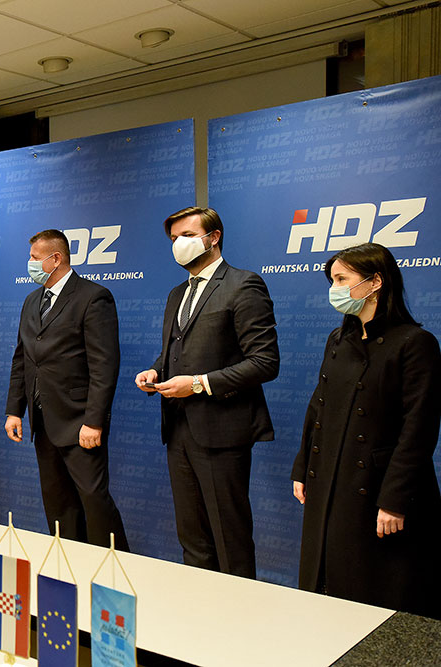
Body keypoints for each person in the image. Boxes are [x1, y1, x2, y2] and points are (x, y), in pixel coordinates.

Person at [291, 242, 441, 618]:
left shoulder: (414, 343)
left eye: (342, 279)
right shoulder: (338, 339)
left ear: (375, 282)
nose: (335, 289)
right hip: (331, 481)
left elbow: (418, 429)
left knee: (378, 592)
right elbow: (318, 407)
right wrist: (303, 468)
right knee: (325, 583)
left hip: (379, 489)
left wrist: (394, 499)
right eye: (332, 280)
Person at [136, 207, 279, 578]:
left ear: (213, 237)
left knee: (229, 539)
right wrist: (156, 371)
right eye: (173, 239)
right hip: (178, 430)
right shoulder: (176, 294)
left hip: (222, 432)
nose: (178, 244)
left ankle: (242, 609)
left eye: (186, 235)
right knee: (193, 537)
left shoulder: (243, 284)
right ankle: (201, 608)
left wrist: (198, 383)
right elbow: (177, 352)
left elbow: (265, 362)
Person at [5, 229, 129, 549]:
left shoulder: (93, 297)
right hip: (43, 420)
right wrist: (14, 411)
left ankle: (116, 564)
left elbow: (104, 365)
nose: (30, 263)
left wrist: (94, 421)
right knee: (57, 500)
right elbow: (22, 359)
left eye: (35, 258)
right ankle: (69, 562)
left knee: (93, 499)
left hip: (79, 421)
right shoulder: (32, 301)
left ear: (56, 258)